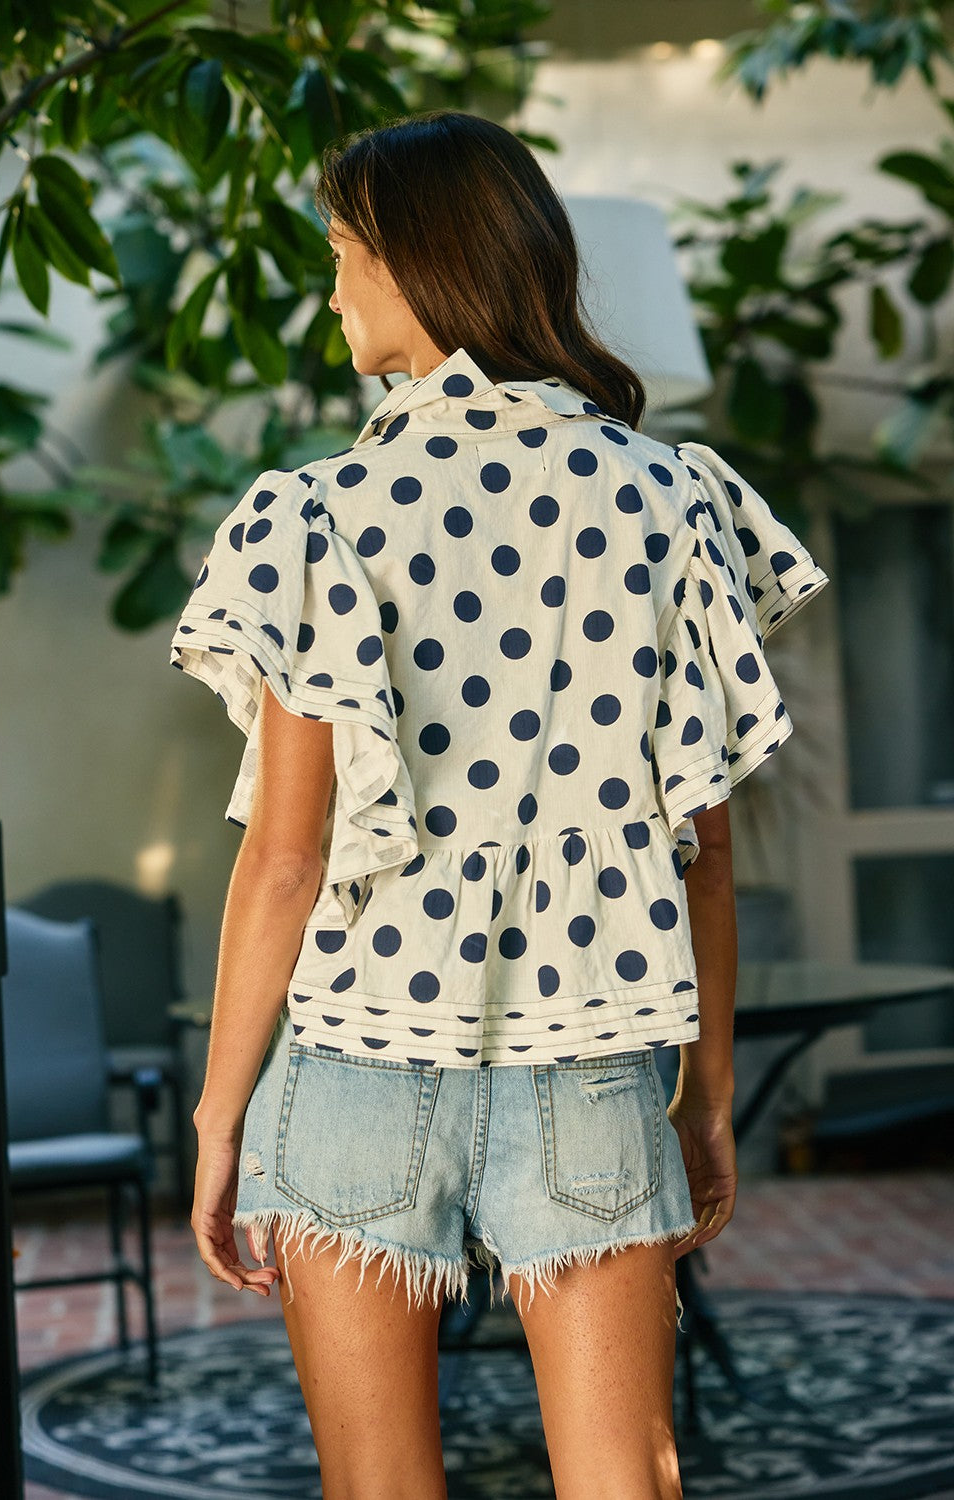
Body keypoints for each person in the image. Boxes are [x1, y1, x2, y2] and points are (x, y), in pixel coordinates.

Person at [170, 109, 829, 1500]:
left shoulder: (317, 516)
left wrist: (221, 1117)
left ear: (417, 262)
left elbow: (285, 860)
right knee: (624, 1481)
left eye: (342, 257)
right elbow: (701, 846)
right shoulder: (670, 501)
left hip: (353, 1064)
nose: (332, 294)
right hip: (593, 1066)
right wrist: (708, 1097)